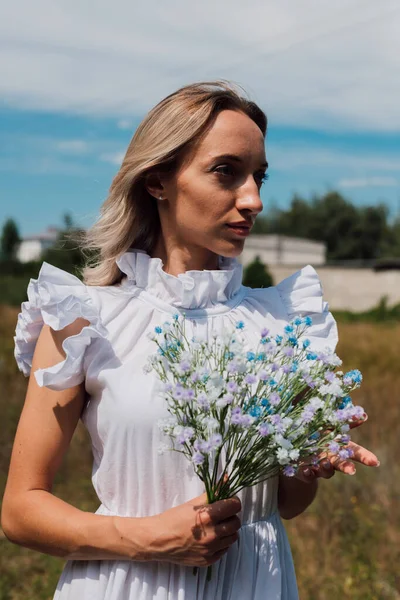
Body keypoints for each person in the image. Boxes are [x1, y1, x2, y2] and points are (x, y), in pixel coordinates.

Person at [1, 80, 379, 600]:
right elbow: (20, 512)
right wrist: (148, 540)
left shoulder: (285, 322)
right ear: (158, 180)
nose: (254, 199)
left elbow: (285, 503)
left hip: (255, 584)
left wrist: (308, 465)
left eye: (259, 177)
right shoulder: (83, 319)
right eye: (227, 172)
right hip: (127, 585)